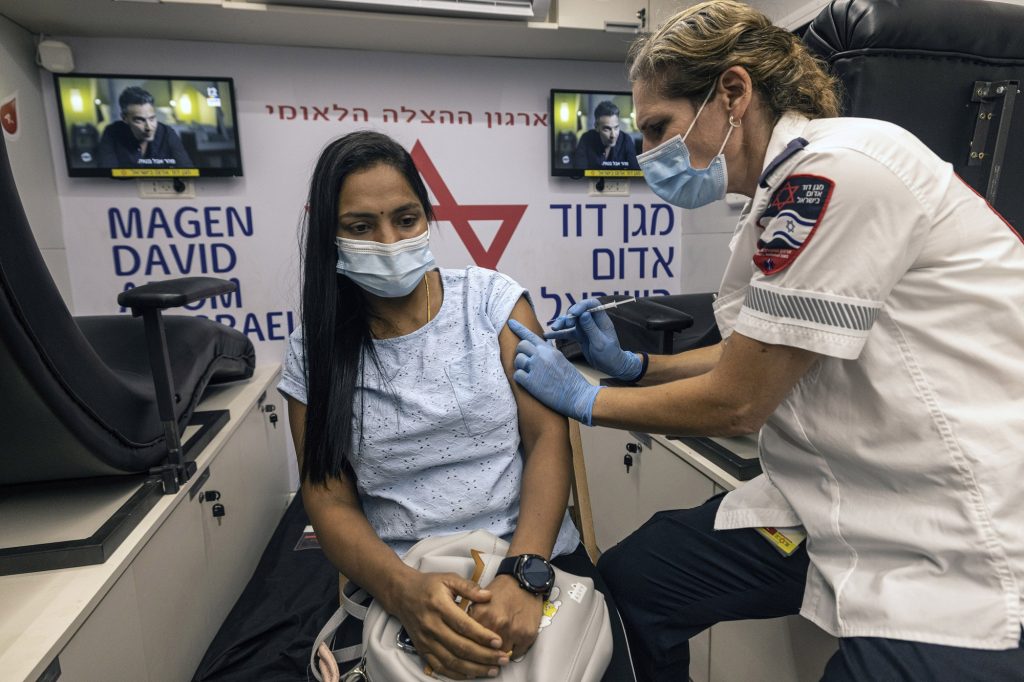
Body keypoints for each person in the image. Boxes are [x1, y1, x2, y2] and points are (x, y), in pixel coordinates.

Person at [507, 1, 1024, 680]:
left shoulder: (837, 171)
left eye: (658, 127)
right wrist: (638, 366)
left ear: (732, 92)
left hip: (948, 528)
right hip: (831, 498)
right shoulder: (780, 193)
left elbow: (739, 401)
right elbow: (761, 347)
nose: (648, 153)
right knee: (636, 583)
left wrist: (587, 400)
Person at [278, 131, 635, 681]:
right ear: (330, 234)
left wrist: (524, 573)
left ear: (427, 217)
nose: (389, 241)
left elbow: (547, 439)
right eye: (361, 227)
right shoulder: (316, 351)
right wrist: (402, 591)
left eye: (406, 219)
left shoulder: (492, 303)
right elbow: (328, 499)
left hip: (534, 557)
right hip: (405, 580)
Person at [95, 85, 193, 168]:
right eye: (139, 120)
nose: (149, 127)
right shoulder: (112, 132)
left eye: (152, 118)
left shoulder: (167, 132)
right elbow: (106, 174)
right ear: (124, 118)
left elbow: (187, 169)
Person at [572, 100, 640, 171]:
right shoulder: (586, 139)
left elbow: (635, 172)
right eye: (607, 129)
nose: (613, 135)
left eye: (616, 128)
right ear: (596, 127)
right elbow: (579, 172)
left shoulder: (626, 140)